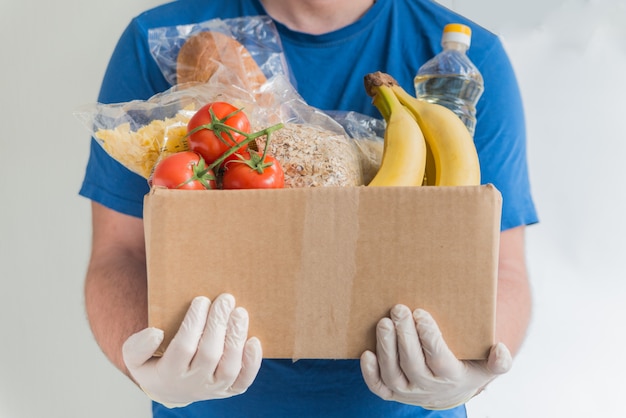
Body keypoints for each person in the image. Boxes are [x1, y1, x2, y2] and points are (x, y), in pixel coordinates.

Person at [79, 0, 538, 417]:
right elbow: (120, 253)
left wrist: (466, 378)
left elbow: (504, 267)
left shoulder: (465, 65)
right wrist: (144, 364)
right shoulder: (161, 36)